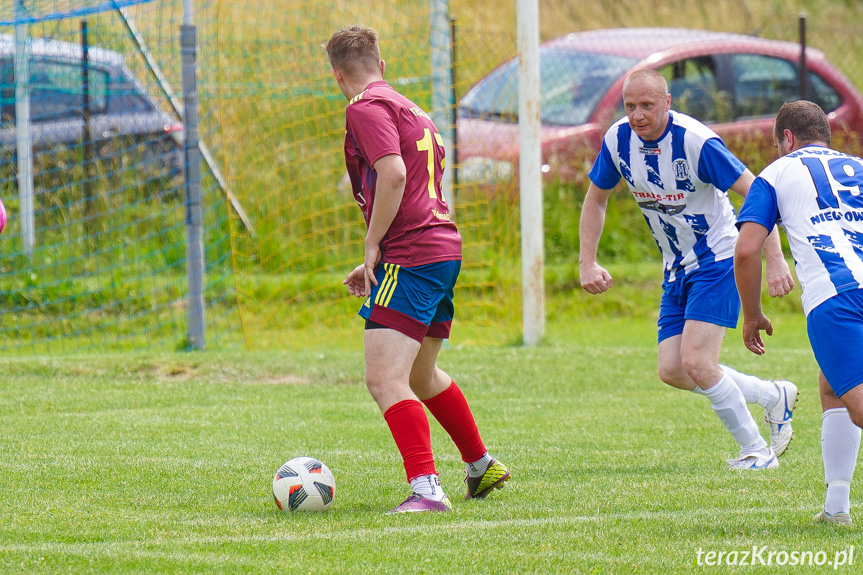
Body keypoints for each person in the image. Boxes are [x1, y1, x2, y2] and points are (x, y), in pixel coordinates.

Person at [324, 25, 510, 514]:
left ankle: (427, 490)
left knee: (384, 379)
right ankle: (480, 464)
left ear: (336, 74)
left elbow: (395, 174)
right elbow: (413, 187)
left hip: (414, 254)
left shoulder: (364, 107)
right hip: (439, 247)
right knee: (422, 375)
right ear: (381, 66)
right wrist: (378, 252)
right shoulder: (410, 107)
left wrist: (373, 244)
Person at [579, 68, 798, 470]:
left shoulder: (696, 142)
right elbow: (596, 198)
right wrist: (587, 260)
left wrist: (774, 257)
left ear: (668, 102)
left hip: (717, 257)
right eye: (630, 106)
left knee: (697, 361)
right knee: (674, 369)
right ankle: (771, 395)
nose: (637, 115)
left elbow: (759, 193)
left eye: (647, 105)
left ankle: (756, 452)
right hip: (675, 267)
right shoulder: (617, 140)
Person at [735, 100, 863, 525]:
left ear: (786, 139)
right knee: (832, 388)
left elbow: (747, 248)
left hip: (837, 297)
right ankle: (836, 509)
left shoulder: (775, 173)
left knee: (859, 402)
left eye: (776, 144)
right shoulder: (857, 167)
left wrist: (751, 314)